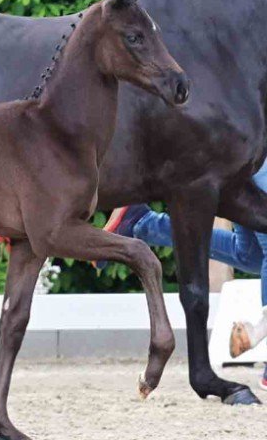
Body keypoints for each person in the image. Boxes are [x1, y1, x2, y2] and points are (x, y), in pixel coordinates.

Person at [95, 161, 267, 391]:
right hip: (256, 157)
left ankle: (142, 223)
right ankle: (259, 334)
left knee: (251, 256)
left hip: (244, 156)